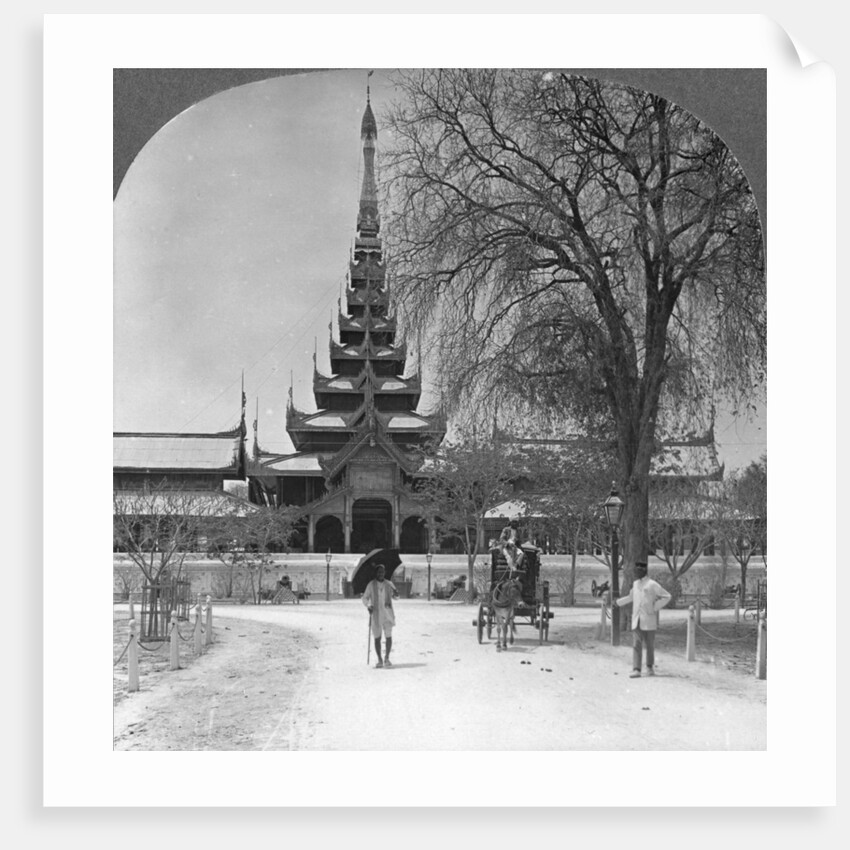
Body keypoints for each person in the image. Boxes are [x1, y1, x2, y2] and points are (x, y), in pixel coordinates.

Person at [610, 560, 671, 678]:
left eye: (639, 570)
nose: (637, 572)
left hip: (649, 620)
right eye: (636, 570)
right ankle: (636, 669)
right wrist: (617, 603)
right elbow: (630, 597)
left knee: (650, 645)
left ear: (644, 570)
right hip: (636, 619)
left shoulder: (652, 584)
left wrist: (655, 606)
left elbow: (667, 596)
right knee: (636, 644)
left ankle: (649, 667)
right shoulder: (635, 584)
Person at [362, 563, 397, 668]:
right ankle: (379, 659)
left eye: (382, 572)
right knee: (377, 637)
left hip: (388, 614)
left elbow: (396, 597)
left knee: (388, 636)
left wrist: (396, 593)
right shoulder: (371, 585)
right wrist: (368, 605)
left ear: (384, 573)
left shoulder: (389, 584)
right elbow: (365, 598)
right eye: (379, 572)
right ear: (376, 573)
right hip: (376, 614)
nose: (381, 574)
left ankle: (387, 658)